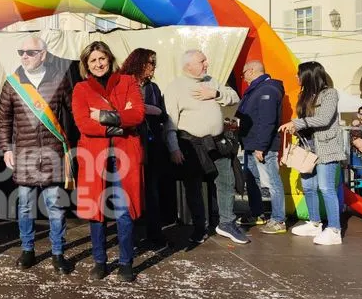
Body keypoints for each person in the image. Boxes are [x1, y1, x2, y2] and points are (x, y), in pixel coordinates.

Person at [0, 36, 74, 274]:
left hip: (52, 154)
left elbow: (72, 111)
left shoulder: (59, 80)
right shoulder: (12, 83)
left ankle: (58, 253)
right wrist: (6, 148)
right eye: (21, 51)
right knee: (25, 208)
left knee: (55, 207)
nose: (24, 56)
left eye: (30, 52)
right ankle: (28, 249)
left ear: (43, 54)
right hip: (24, 155)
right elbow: (4, 120)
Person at [72, 42, 145, 281]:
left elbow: (138, 115)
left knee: (124, 211)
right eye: (92, 61)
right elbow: (84, 124)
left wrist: (102, 116)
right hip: (95, 156)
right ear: (86, 65)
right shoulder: (81, 89)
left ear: (109, 59)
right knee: (97, 211)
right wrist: (119, 123)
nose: (98, 64)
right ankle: (100, 261)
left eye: (101, 59)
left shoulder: (127, 82)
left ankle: (125, 262)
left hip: (126, 155)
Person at [165, 50, 247, 246]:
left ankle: (227, 223)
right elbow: (170, 122)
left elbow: (234, 97)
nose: (206, 64)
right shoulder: (175, 87)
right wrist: (173, 148)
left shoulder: (211, 80)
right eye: (202, 61)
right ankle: (199, 227)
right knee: (193, 188)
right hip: (191, 145)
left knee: (226, 181)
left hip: (217, 141)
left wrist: (215, 93)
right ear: (189, 65)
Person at [279, 61, 344, 245]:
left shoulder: (330, 93)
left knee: (326, 188)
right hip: (307, 149)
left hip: (326, 148)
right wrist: (296, 128)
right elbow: (307, 121)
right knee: (308, 187)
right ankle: (315, 223)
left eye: (298, 73)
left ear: (308, 75)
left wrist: (296, 123)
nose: (296, 77)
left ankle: (334, 230)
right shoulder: (304, 95)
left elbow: (323, 119)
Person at [120, 48, 172, 249]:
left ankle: (155, 234)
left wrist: (155, 111)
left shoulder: (153, 88)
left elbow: (163, 115)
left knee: (151, 191)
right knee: (128, 192)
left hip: (151, 144)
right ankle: (129, 236)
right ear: (140, 63)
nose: (154, 67)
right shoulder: (122, 83)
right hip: (129, 144)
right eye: (151, 63)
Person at [236, 60, 286, 234]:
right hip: (251, 143)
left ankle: (279, 220)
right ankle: (257, 213)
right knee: (252, 180)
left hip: (263, 146)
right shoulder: (256, 90)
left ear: (250, 71)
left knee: (272, 182)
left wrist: (261, 147)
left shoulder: (267, 90)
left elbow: (267, 121)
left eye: (243, 74)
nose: (243, 78)